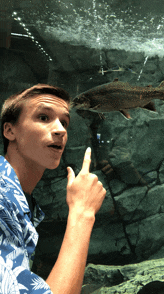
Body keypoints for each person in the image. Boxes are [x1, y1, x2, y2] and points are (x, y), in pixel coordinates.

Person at [0, 84, 106, 294]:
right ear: (10, 130)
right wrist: (82, 212)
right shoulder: (2, 196)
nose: (60, 130)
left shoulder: (19, 199)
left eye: (64, 122)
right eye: (43, 117)